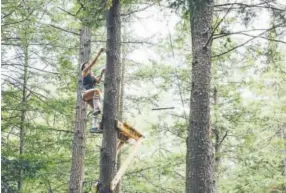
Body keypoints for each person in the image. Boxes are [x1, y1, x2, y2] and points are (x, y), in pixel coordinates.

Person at [81, 48, 105, 133]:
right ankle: (96, 108)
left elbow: (98, 81)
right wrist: (99, 53)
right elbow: (93, 63)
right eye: (86, 65)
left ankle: (94, 128)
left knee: (97, 111)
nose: (88, 66)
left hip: (90, 97)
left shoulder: (92, 76)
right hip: (85, 93)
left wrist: (102, 73)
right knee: (97, 91)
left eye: (88, 65)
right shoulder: (84, 72)